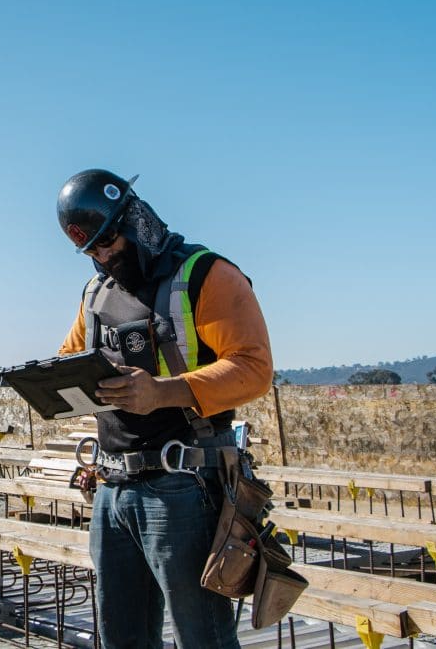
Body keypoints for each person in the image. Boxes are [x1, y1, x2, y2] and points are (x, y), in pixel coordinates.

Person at [56, 168, 273, 649]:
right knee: (123, 638)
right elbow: (70, 360)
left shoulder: (206, 275)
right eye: (91, 249)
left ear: (136, 218)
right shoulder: (96, 294)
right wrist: (48, 384)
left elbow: (254, 368)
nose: (103, 255)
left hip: (183, 487)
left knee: (203, 639)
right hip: (114, 490)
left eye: (108, 240)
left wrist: (162, 392)